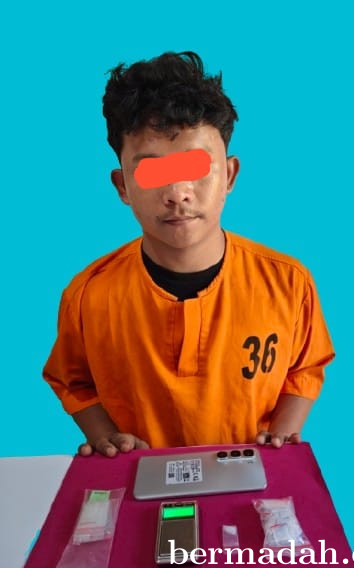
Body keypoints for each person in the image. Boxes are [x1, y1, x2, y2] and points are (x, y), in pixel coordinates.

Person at [43, 51, 335, 458]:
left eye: (196, 167)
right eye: (152, 172)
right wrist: (106, 436)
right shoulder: (88, 296)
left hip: (249, 473)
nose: (177, 193)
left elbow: (305, 366)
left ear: (229, 174)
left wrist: (281, 440)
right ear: (123, 186)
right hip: (138, 478)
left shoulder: (288, 283)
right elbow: (72, 380)